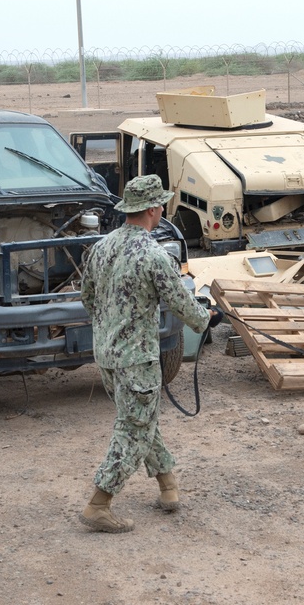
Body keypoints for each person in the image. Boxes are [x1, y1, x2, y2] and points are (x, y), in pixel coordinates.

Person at [79, 174, 222, 533]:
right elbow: (183, 305)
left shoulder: (101, 247)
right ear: (154, 209)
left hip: (107, 356)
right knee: (134, 428)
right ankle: (99, 503)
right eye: (161, 205)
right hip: (137, 359)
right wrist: (207, 318)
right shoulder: (153, 255)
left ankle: (167, 486)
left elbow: (88, 298)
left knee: (141, 419)